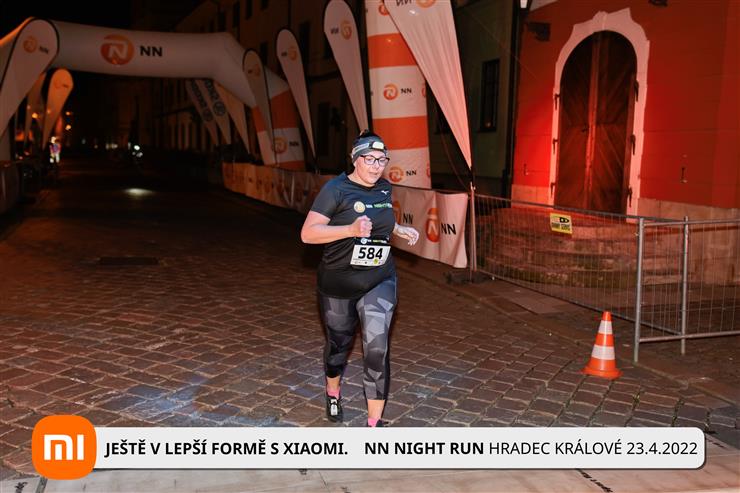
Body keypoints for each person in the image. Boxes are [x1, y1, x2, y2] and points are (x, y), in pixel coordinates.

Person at [301, 130, 419, 427]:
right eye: (370, 159)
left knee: (377, 348)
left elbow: (381, 220)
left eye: (382, 159)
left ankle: (374, 424)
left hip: (379, 279)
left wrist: (398, 229)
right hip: (339, 283)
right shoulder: (335, 189)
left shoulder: (384, 188)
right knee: (338, 347)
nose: (377, 166)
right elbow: (308, 234)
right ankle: (332, 390)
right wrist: (350, 230)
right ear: (355, 159)